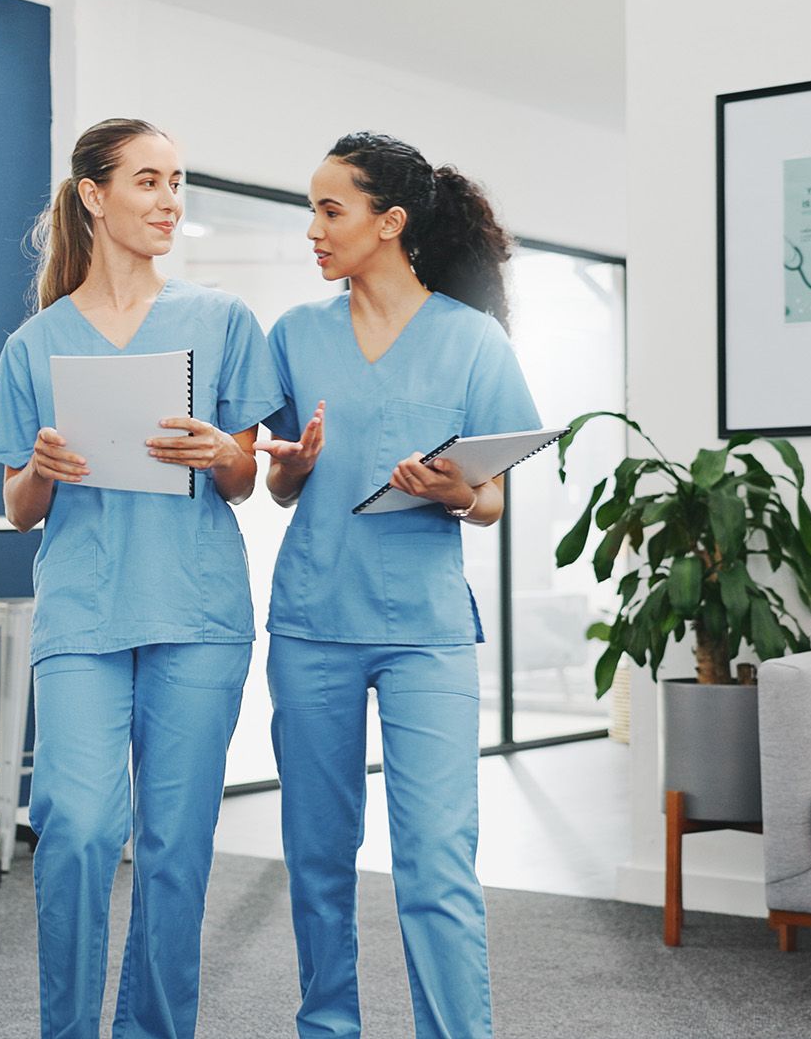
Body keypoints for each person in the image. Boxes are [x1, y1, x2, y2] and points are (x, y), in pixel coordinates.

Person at [0, 118, 283, 1039]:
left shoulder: (221, 320)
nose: (169, 201)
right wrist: (40, 467)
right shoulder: (36, 343)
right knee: (73, 830)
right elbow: (18, 508)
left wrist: (223, 448)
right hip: (82, 609)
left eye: (177, 182)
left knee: (175, 848)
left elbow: (244, 482)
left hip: (196, 608)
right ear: (94, 195)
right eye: (147, 182)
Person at [254, 133, 542, 1039]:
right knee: (318, 859)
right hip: (312, 623)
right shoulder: (295, 336)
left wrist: (459, 490)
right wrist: (294, 467)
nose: (313, 229)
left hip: (427, 633)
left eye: (330, 210)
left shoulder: (472, 340)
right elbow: (278, 481)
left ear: (390, 222)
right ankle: (326, 1028)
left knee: (436, 863)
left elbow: (491, 499)